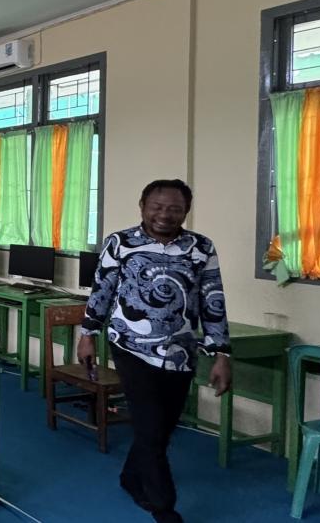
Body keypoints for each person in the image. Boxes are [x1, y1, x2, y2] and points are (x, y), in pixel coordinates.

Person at [78, 179, 232, 523]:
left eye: (175, 209)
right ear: (142, 206)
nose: (165, 215)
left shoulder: (201, 247)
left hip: (181, 352)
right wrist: (87, 334)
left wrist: (221, 354)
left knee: (162, 428)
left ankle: (131, 476)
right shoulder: (120, 243)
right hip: (130, 347)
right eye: (157, 207)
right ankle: (164, 507)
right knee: (149, 427)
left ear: (186, 211)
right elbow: (101, 291)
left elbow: (213, 300)